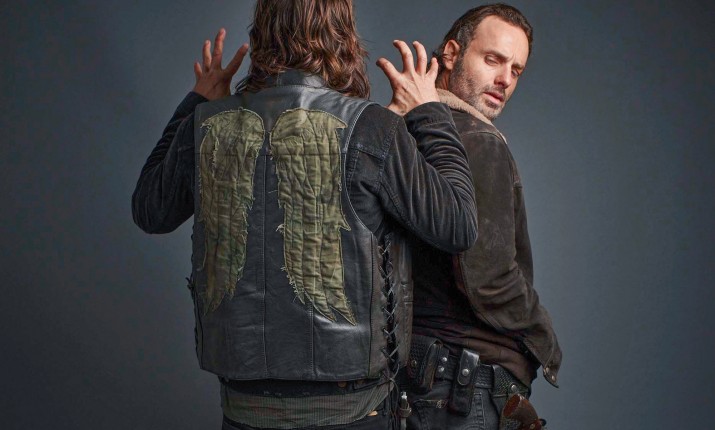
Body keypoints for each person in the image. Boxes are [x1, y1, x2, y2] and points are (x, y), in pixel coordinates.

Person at [132, 0, 478, 428]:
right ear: (344, 36)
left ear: (261, 32)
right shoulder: (372, 127)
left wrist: (197, 102)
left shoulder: (205, 123)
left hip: (243, 411)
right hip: (353, 412)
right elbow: (458, 225)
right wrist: (429, 111)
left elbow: (149, 210)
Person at [403, 4, 562, 430]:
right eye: (493, 59)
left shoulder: (400, 128)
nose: (505, 79)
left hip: (413, 375)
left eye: (516, 70)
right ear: (451, 53)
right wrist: (544, 339)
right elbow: (489, 278)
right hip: (465, 385)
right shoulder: (479, 140)